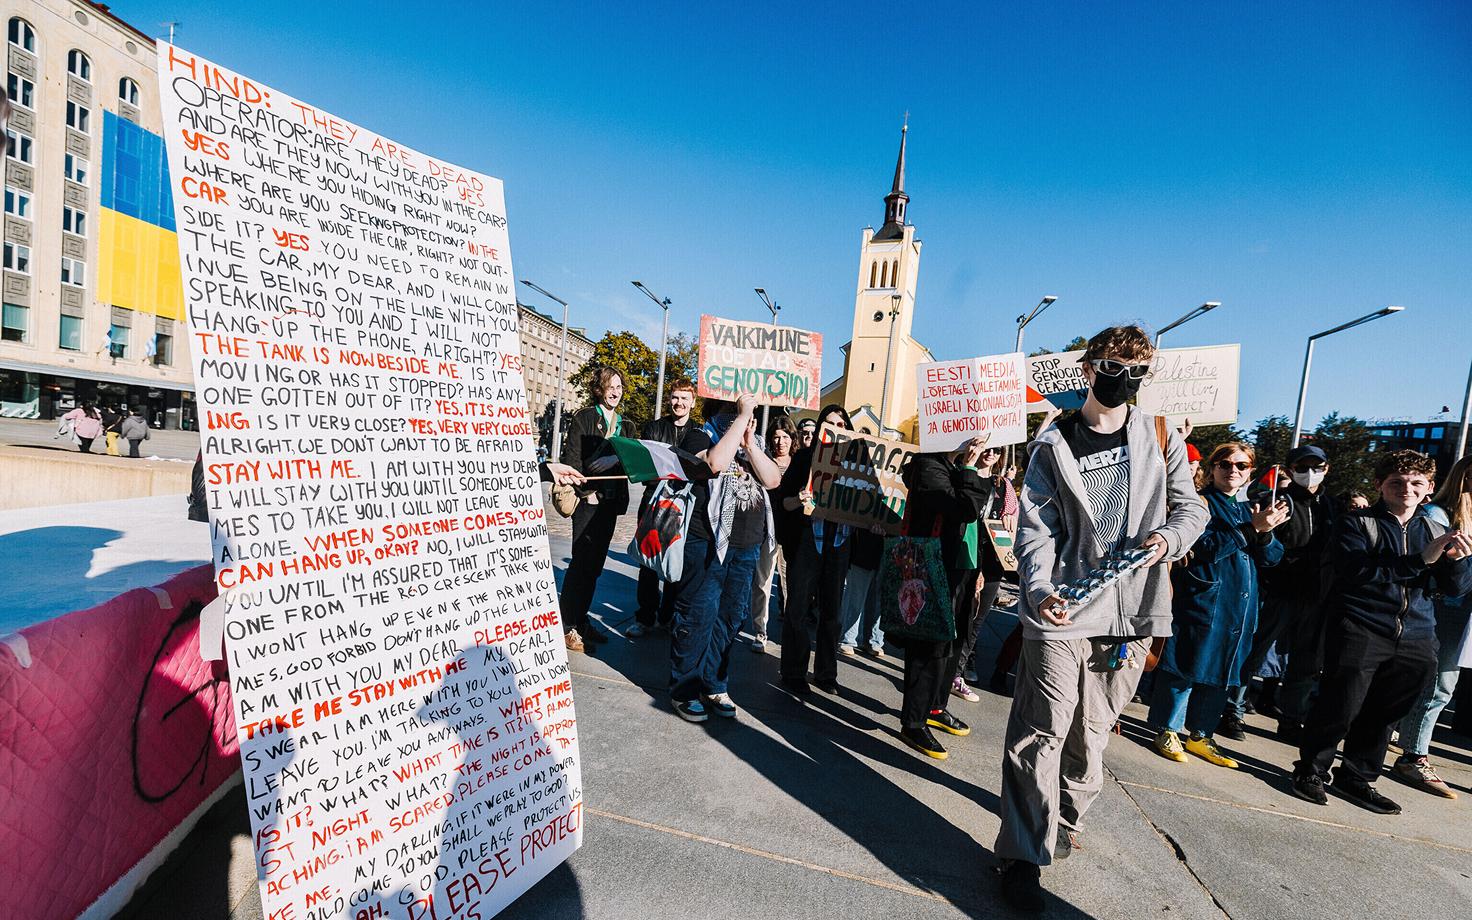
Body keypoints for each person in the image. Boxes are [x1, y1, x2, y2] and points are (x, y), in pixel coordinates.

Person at [994, 325, 1208, 913]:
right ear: (1090, 369)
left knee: (1092, 731)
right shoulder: (1053, 444)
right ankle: (1021, 852)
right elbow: (1036, 528)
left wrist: (1168, 538)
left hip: (1134, 612)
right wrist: (1037, 589)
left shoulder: (1160, 435)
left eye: (1138, 372)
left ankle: (1063, 820)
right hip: (1063, 608)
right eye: (1115, 367)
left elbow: (1193, 509)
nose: (1126, 381)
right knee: (1043, 726)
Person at [1292, 450, 1472, 814]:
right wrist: (1419, 560)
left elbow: (1455, 590)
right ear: (1380, 485)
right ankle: (1311, 770)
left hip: (1417, 634)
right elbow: (1356, 574)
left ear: (1429, 488)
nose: (1406, 489)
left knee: (1385, 713)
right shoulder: (1358, 523)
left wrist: (1456, 564)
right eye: (1397, 482)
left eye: (1416, 483)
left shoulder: (1434, 529)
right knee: (1341, 704)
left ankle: (1357, 776)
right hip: (1361, 627)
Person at [1149, 442, 1287, 768]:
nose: (1233, 471)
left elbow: (1273, 558)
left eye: (1241, 466)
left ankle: (1201, 734)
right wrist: (1251, 530)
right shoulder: (1199, 504)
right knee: (1185, 663)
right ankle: (1167, 729)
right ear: (1212, 468)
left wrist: (1265, 534)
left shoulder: (1249, 508)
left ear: (1251, 471)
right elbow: (1205, 547)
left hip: (1239, 606)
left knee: (1224, 670)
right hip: (1203, 599)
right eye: (1225, 464)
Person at [668, 395, 782, 721]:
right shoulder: (699, 436)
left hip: (746, 547)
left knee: (731, 617)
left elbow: (772, 480)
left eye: (745, 412)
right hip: (707, 543)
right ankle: (684, 688)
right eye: (733, 411)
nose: (743, 417)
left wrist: (749, 445)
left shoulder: (751, 444)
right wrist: (741, 417)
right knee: (698, 616)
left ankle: (714, 684)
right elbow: (715, 463)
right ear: (718, 413)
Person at [1221, 444, 1346, 742]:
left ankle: (1292, 719)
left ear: (1327, 469)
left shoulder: (1334, 508)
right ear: (1289, 471)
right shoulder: (1277, 501)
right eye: (1301, 468)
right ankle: (1231, 710)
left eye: (1316, 466)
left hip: (1317, 596)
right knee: (1253, 653)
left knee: (1305, 664)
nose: (1309, 473)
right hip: (1278, 591)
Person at [893, 437, 993, 759]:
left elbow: (977, 523)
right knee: (930, 645)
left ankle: (936, 707)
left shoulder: (954, 466)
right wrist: (970, 468)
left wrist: (977, 570)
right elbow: (965, 508)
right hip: (932, 567)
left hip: (961, 569)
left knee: (954, 641)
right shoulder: (928, 466)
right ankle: (913, 721)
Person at [1392, 454, 1472, 799]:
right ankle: (1414, 756)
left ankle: (1402, 740)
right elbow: (1426, 567)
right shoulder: (1437, 516)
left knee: (1433, 685)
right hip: (1443, 609)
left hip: (1462, 612)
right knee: (1438, 685)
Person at [777, 405, 855, 696]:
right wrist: (799, 499)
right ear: (822, 427)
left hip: (839, 545)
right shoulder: (804, 459)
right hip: (809, 543)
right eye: (830, 423)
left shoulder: (857, 464)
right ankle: (793, 672)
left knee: (831, 614)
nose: (835, 428)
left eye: (841, 423)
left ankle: (826, 673)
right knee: (797, 609)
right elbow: (784, 503)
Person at [558, 367, 630, 653]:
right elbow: (572, 459)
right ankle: (567, 626)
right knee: (581, 565)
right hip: (589, 504)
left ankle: (581, 619)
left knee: (595, 567)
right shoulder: (586, 417)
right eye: (611, 386)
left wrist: (615, 458)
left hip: (611, 505)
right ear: (600, 389)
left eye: (620, 387)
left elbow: (630, 465)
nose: (616, 391)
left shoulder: (627, 425)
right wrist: (586, 493)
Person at [628, 379, 704, 639]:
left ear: (693, 402)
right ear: (669, 399)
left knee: (675, 561)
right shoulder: (654, 428)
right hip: (654, 501)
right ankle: (645, 617)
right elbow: (646, 467)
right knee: (648, 561)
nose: (679, 403)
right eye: (675, 397)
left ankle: (668, 616)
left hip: (682, 505)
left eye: (684, 398)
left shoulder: (699, 433)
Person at [952, 446, 1009, 700]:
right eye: (989, 447)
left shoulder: (1004, 486)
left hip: (993, 561)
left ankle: (957, 673)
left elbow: (1011, 522)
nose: (991, 453)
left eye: (997, 450)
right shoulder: (966, 475)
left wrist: (1010, 523)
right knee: (959, 615)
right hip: (968, 554)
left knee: (977, 621)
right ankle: (948, 671)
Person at [750, 417, 798, 652]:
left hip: (791, 534)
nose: (781, 442)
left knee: (790, 586)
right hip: (766, 531)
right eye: (776, 437)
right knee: (762, 583)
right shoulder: (763, 462)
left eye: (786, 437)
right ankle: (760, 632)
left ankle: (789, 633)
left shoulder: (799, 464)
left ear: (792, 439)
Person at [838, 526, 885, 657]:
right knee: (856, 595)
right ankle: (848, 639)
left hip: (888, 544)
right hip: (863, 544)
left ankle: (874, 640)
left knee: (878, 599)